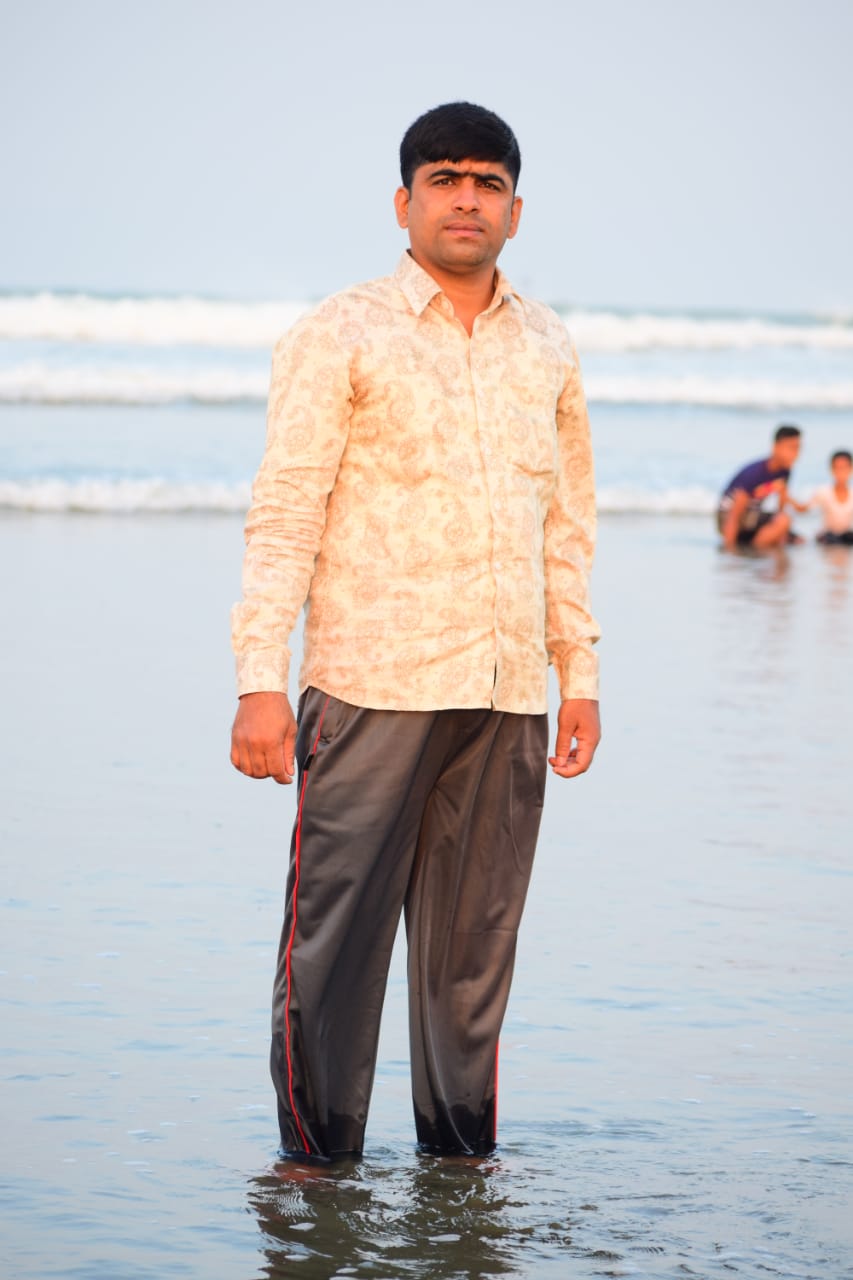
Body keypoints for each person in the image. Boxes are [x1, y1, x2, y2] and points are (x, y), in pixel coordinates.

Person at [229, 102, 600, 1163]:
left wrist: (577, 671)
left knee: (471, 960)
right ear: (404, 203)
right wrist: (259, 677)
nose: (465, 199)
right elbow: (286, 510)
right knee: (333, 948)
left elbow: (566, 525)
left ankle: (460, 1166)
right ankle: (316, 1170)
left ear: (516, 209)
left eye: (487, 183)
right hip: (369, 684)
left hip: (506, 695)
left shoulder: (547, 343)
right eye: (444, 179)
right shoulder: (338, 331)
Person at [717, 424, 808, 550]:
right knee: (784, 521)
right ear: (776, 447)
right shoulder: (756, 473)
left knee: (794, 536)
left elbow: (780, 508)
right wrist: (729, 549)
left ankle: (754, 548)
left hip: (752, 516)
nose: (796, 454)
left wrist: (783, 532)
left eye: (798, 448)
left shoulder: (785, 472)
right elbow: (735, 512)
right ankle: (753, 550)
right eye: (791, 448)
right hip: (727, 516)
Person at [811, 449, 853, 545]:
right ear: (831, 469)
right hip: (827, 535)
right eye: (837, 468)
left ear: (851, 468)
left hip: (847, 535)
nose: (840, 472)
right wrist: (787, 497)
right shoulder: (823, 492)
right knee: (828, 539)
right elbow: (805, 509)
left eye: (844, 467)